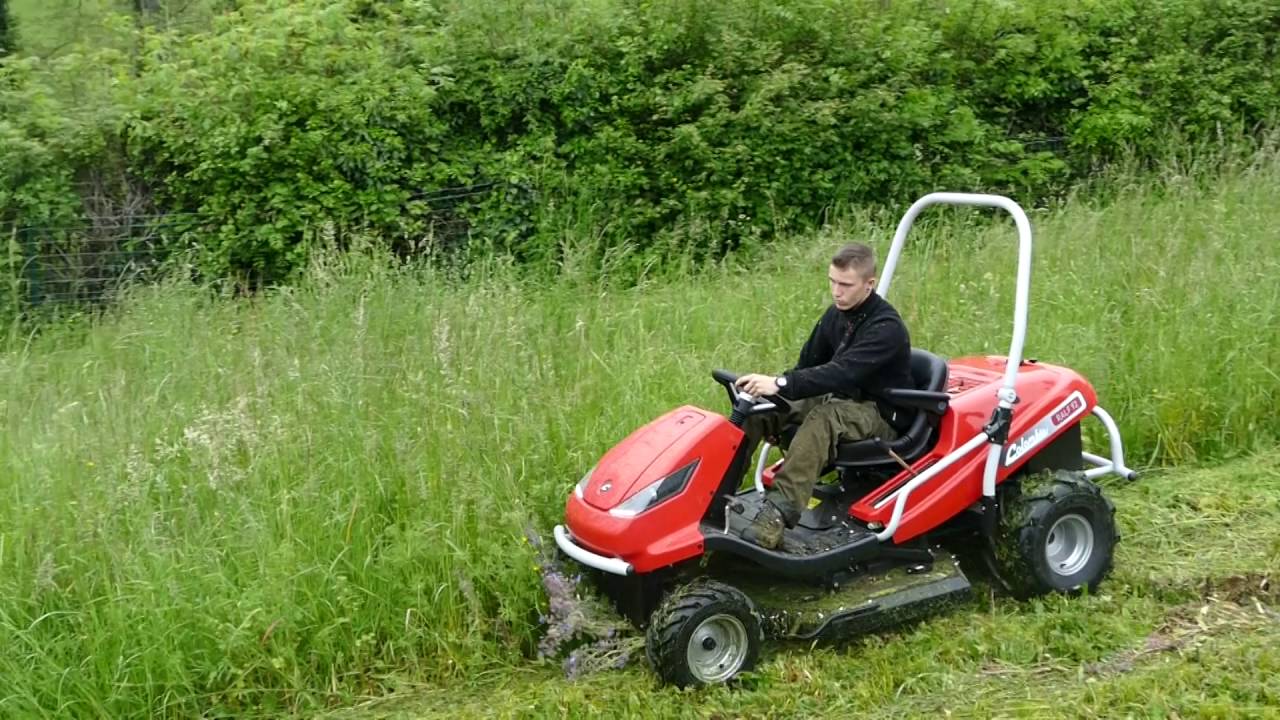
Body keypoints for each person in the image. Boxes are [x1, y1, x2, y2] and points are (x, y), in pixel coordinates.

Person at [733, 242, 914, 550]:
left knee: (823, 418)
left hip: (879, 412)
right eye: (832, 281)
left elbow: (842, 372)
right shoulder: (837, 315)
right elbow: (808, 367)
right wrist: (776, 397)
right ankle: (717, 490)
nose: (836, 291)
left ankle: (776, 516)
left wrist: (779, 382)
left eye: (845, 284)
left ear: (869, 284)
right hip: (840, 399)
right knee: (761, 408)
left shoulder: (886, 328)